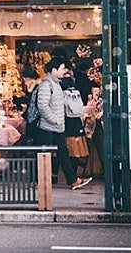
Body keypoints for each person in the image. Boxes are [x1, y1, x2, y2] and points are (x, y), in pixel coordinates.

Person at [36, 58, 83, 189]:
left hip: (57, 127)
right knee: (44, 154)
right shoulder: (46, 85)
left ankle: (72, 179)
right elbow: (42, 106)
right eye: (62, 68)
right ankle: (38, 181)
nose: (65, 71)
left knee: (63, 153)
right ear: (54, 70)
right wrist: (55, 119)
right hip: (48, 127)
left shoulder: (56, 84)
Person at [59, 65, 93, 190]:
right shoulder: (76, 92)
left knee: (66, 150)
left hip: (67, 122)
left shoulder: (62, 94)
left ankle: (69, 177)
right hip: (77, 122)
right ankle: (73, 176)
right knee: (75, 151)